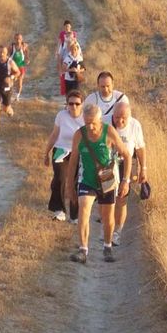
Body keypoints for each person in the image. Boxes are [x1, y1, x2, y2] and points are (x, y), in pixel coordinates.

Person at [65, 104, 132, 264]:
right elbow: (73, 162)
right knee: (84, 210)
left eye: (93, 123)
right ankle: (83, 250)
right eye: (87, 122)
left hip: (107, 180)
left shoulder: (109, 132)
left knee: (107, 216)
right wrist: (69, 186)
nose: (90, 126)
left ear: (100, 120)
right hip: (86, 180)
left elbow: (127, 155)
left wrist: (125, 180)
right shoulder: (79, 135)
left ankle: (107, 247)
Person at [103, 101, 147, 246]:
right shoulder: (104, 121)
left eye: (124, 118)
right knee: (107, 199)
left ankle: (117, 232)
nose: (120, 121)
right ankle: (107, 230)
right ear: (112, 115)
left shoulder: (135, 125)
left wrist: (143, 168)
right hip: (108, 164)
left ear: (129, 116)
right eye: (117, 118)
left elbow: (140, 148)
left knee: (121, 198)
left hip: (126, 164)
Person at [44, 90, 85, 223]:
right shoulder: (61, 115)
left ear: (82, 104)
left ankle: (75, 215)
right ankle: (59, 210)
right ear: (66, 104)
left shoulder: (86, 117)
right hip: (60, 149)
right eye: (70, 103)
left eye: (77, 104)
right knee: (60, 178)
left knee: (75, 181)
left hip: (77, 152)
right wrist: (46, 152)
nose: (73, 107)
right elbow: (54, 134)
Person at [0, 45, 21, 137]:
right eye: (0, 52)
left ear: (6, 53)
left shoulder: (10, 62)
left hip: (7, 88)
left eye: (3, 52)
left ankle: (9, 111)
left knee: (5, 108)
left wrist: (11, 77)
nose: (1, 54)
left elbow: (18, 72)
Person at [56, 20, 78, 96]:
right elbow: (59, 43)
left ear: (70, 27)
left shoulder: (74, 33)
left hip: (72, 50)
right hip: (64, 50)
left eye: (68, 26)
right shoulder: (62, 34)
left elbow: (75, 42)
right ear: (64, 27)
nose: (67, 28)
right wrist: (57, 51)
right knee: (63, 69)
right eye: (66, 26)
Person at [9, 33, 30, 101]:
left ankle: (17, 96)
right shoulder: (11, 47)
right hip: (13, 68)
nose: (18, 40)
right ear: (14, 39)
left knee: (20, 83)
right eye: (16, 39)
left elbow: (27, 55)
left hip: (21, 66)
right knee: (12, 82)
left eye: (19, 39)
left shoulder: (24, 46)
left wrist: (27, 59)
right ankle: (10, 94)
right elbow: (8, 56)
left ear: (22, 39)